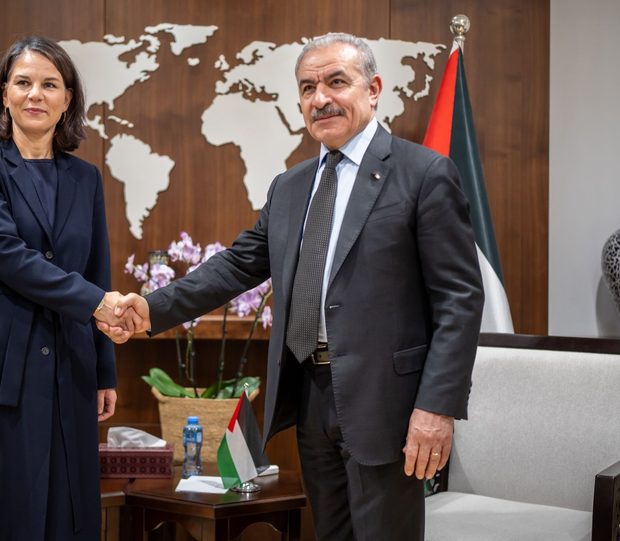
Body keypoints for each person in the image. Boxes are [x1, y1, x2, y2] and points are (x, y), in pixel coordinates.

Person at [101, 33, 484, 540]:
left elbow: (459, 300)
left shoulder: (423, 173)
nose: (320, 98)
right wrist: (149, 310)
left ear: (373, 89)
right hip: (310, 396)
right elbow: (237, 266)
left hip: (388, 403)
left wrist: (436, 407)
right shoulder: (290, 186)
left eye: (335, 82)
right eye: (307, 87)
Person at [0, 37, 139, 541]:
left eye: (49, 84)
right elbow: (8, 258)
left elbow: (97, 269)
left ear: (67, 98)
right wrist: (98, 303)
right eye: (23, 82)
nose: (35, 94)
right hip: (0, 346)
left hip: (70, 354)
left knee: (64, 503)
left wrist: (103, 370)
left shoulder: (86, 178)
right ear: (4, 94)